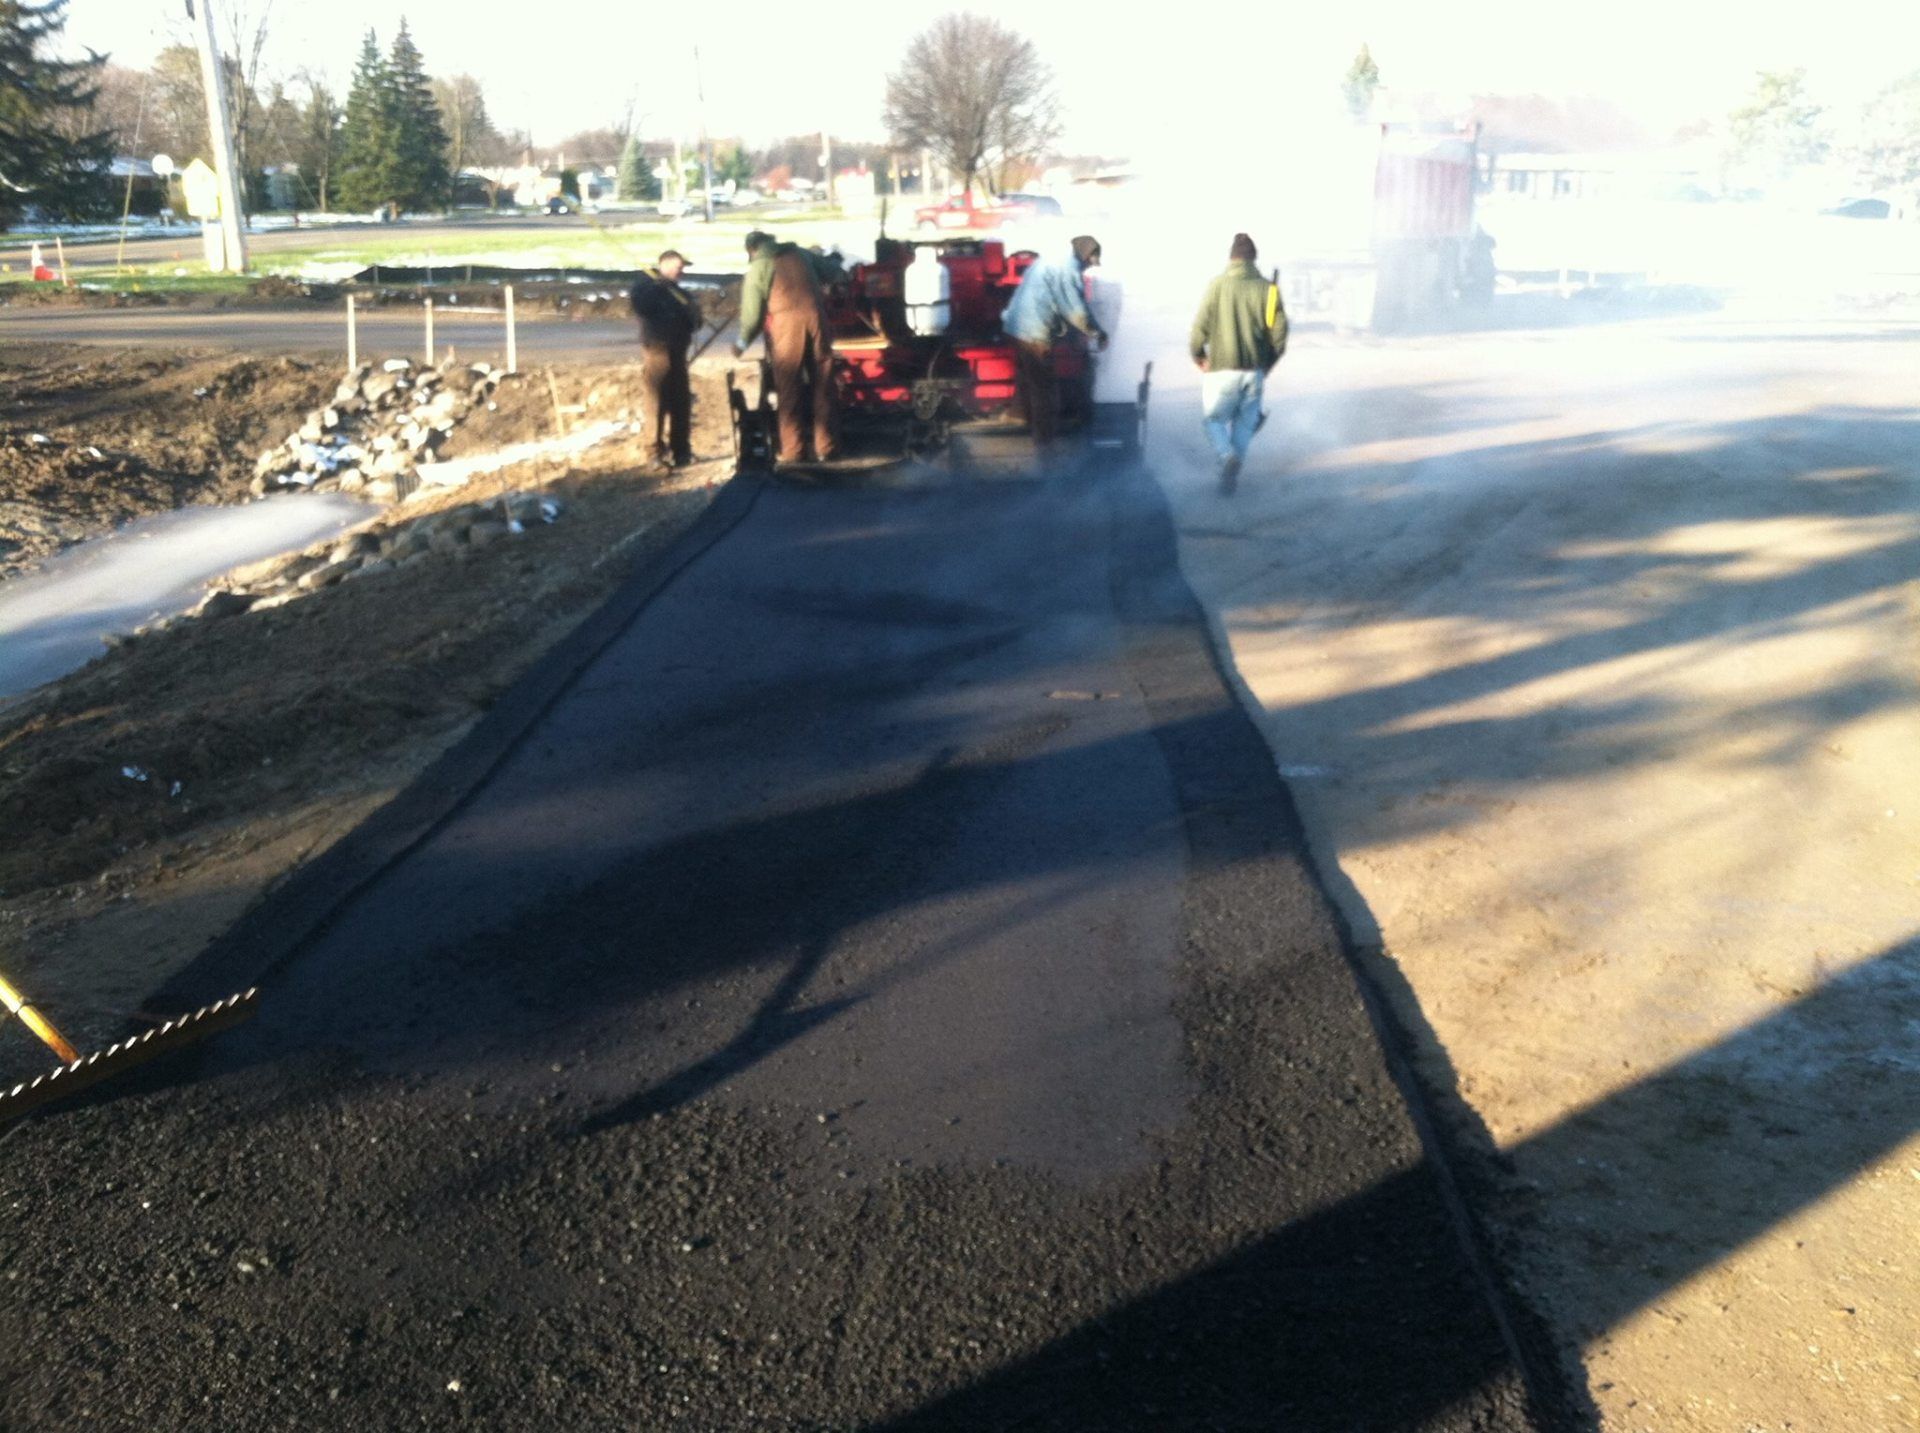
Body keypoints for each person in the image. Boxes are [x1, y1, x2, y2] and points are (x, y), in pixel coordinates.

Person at [1189, 232, 1287, 494]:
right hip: (1253, 371)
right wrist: (1267, 364)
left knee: (1213, 421)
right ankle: (1231, 472)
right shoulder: (1268, 290)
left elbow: (1201, 326)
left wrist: (1198, 354)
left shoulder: (1217, 285)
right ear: (1253, 259)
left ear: (1231, 258)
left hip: (1221, 369)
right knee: (1244, 425)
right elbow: (1278, 334)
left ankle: (1225, 457)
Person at [733, 230, 838, 465]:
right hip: (817, 320)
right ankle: (827, 448)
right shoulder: (801, 254)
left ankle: (794, 452)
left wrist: (741, 343)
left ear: (752, 249)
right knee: (823, 383)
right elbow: (835, 273)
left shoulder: (759, 267)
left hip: (787, 325)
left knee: (789, 386)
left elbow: (752, 315)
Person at [1001, 234, 1109, 450]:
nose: (1088, 268)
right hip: (1034, 333)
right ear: (1087, 255)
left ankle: (1017, 417)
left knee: (1025, 377)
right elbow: (1076, 310)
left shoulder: (1050, 259)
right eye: (1090, 263)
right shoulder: (1068, 269)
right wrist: (1098, 333)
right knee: (1045, 391)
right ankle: (1045, 448)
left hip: (1015, 326)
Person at [629, 249, 701, 468]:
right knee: (656, 402)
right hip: (657, 351)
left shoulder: (679, 293)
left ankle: (682, 451)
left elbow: (696, 321)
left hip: (678, 352)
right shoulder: (646, 285)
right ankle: (654, 453)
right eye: (679, 267)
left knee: (681, 402)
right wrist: (660, 288)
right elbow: (640, 306)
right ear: (666, 265)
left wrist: (693, 311)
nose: (682, 272)